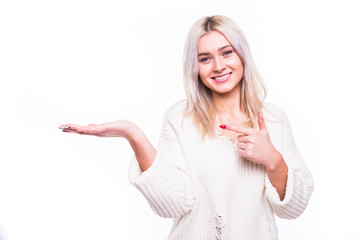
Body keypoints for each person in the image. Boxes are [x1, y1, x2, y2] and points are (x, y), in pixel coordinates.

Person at [59, 15, 314, 240]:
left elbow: (294, 208)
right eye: (205, 58)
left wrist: (273, 160)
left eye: (227, 52)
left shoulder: (274, 119)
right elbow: (172, 205)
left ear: (242, 54)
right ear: (195, 67)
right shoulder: (180, 119)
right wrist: (133, 134)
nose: (218, 66)